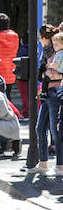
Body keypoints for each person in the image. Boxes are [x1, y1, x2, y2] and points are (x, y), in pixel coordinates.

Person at [32, 30, 63, 173]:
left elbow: (54, 73)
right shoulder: (51, 53)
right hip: (47, 93)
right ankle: (43, 163)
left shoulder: (58, 54)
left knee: (55, 130)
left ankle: (60, 165)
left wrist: (53, 74)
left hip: (55, 92)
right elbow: (45, 73)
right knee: (40, 128)